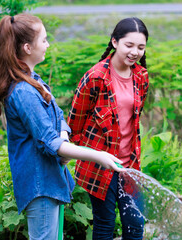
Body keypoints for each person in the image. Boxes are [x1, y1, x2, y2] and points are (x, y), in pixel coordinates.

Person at [0, 13, 124, 240]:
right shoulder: (24, 92)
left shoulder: (34, 80)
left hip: (51, 177)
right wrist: (97, 155)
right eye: (44, 40)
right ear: (28, 47)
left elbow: (58, 116)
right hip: (40, 184)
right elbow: (50, 142)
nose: (48, 45)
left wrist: (64, 141)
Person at [67, 17, 149, 239]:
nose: (135, 52)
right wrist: (90, 153)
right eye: (129, 45)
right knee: (105, 224)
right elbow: (74, 123)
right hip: (99, 165)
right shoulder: (95, 78)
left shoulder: (141, 76)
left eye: (140, 47)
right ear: (115, 42)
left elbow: (133, 118)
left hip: (130, 163)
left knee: (135, 223)